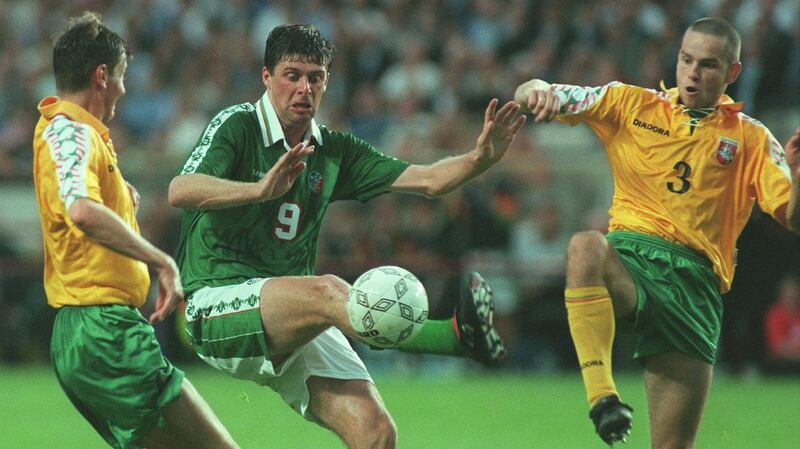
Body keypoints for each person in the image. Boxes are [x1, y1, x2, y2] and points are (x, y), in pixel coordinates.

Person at [168, 24, 525, 448]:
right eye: (292, 75)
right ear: (266, 77)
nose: (304, 89)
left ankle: (456, 339)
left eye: (315, 78)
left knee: (377, 433)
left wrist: (480, 158)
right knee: (329, 290)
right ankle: (450, 337)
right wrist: (259, 189)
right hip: (213, 307)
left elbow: (429, 180)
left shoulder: (333, 150)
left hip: (292, 316)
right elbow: (180, 190)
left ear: (326, 83)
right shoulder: (238, 125)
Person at [515, 16, 800, 448]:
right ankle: (603, 399)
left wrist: (798, 176)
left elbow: (792, 218)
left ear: (732, 72)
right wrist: (534, 90)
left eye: (707, 64)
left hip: (694, 288)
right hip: (630, 262)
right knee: (586, 247)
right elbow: (537, 90)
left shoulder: (752, 139)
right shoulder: (629, 103)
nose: (692, 73)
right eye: (686, 59)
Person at [32, 12, 238, 449]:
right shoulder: (71, 132)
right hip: (103, 327)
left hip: (87, 331)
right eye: (122, 76)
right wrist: (161, 260)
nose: (124, 89)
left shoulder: (72, 133)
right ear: (101, 76)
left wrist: (121, 202)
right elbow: (81, 210)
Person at [763, 273, 800, 374]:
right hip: (781, 364)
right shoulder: (775, 315)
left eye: (794, 291)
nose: (792, 295)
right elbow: (778, 347)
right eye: (789, 292)